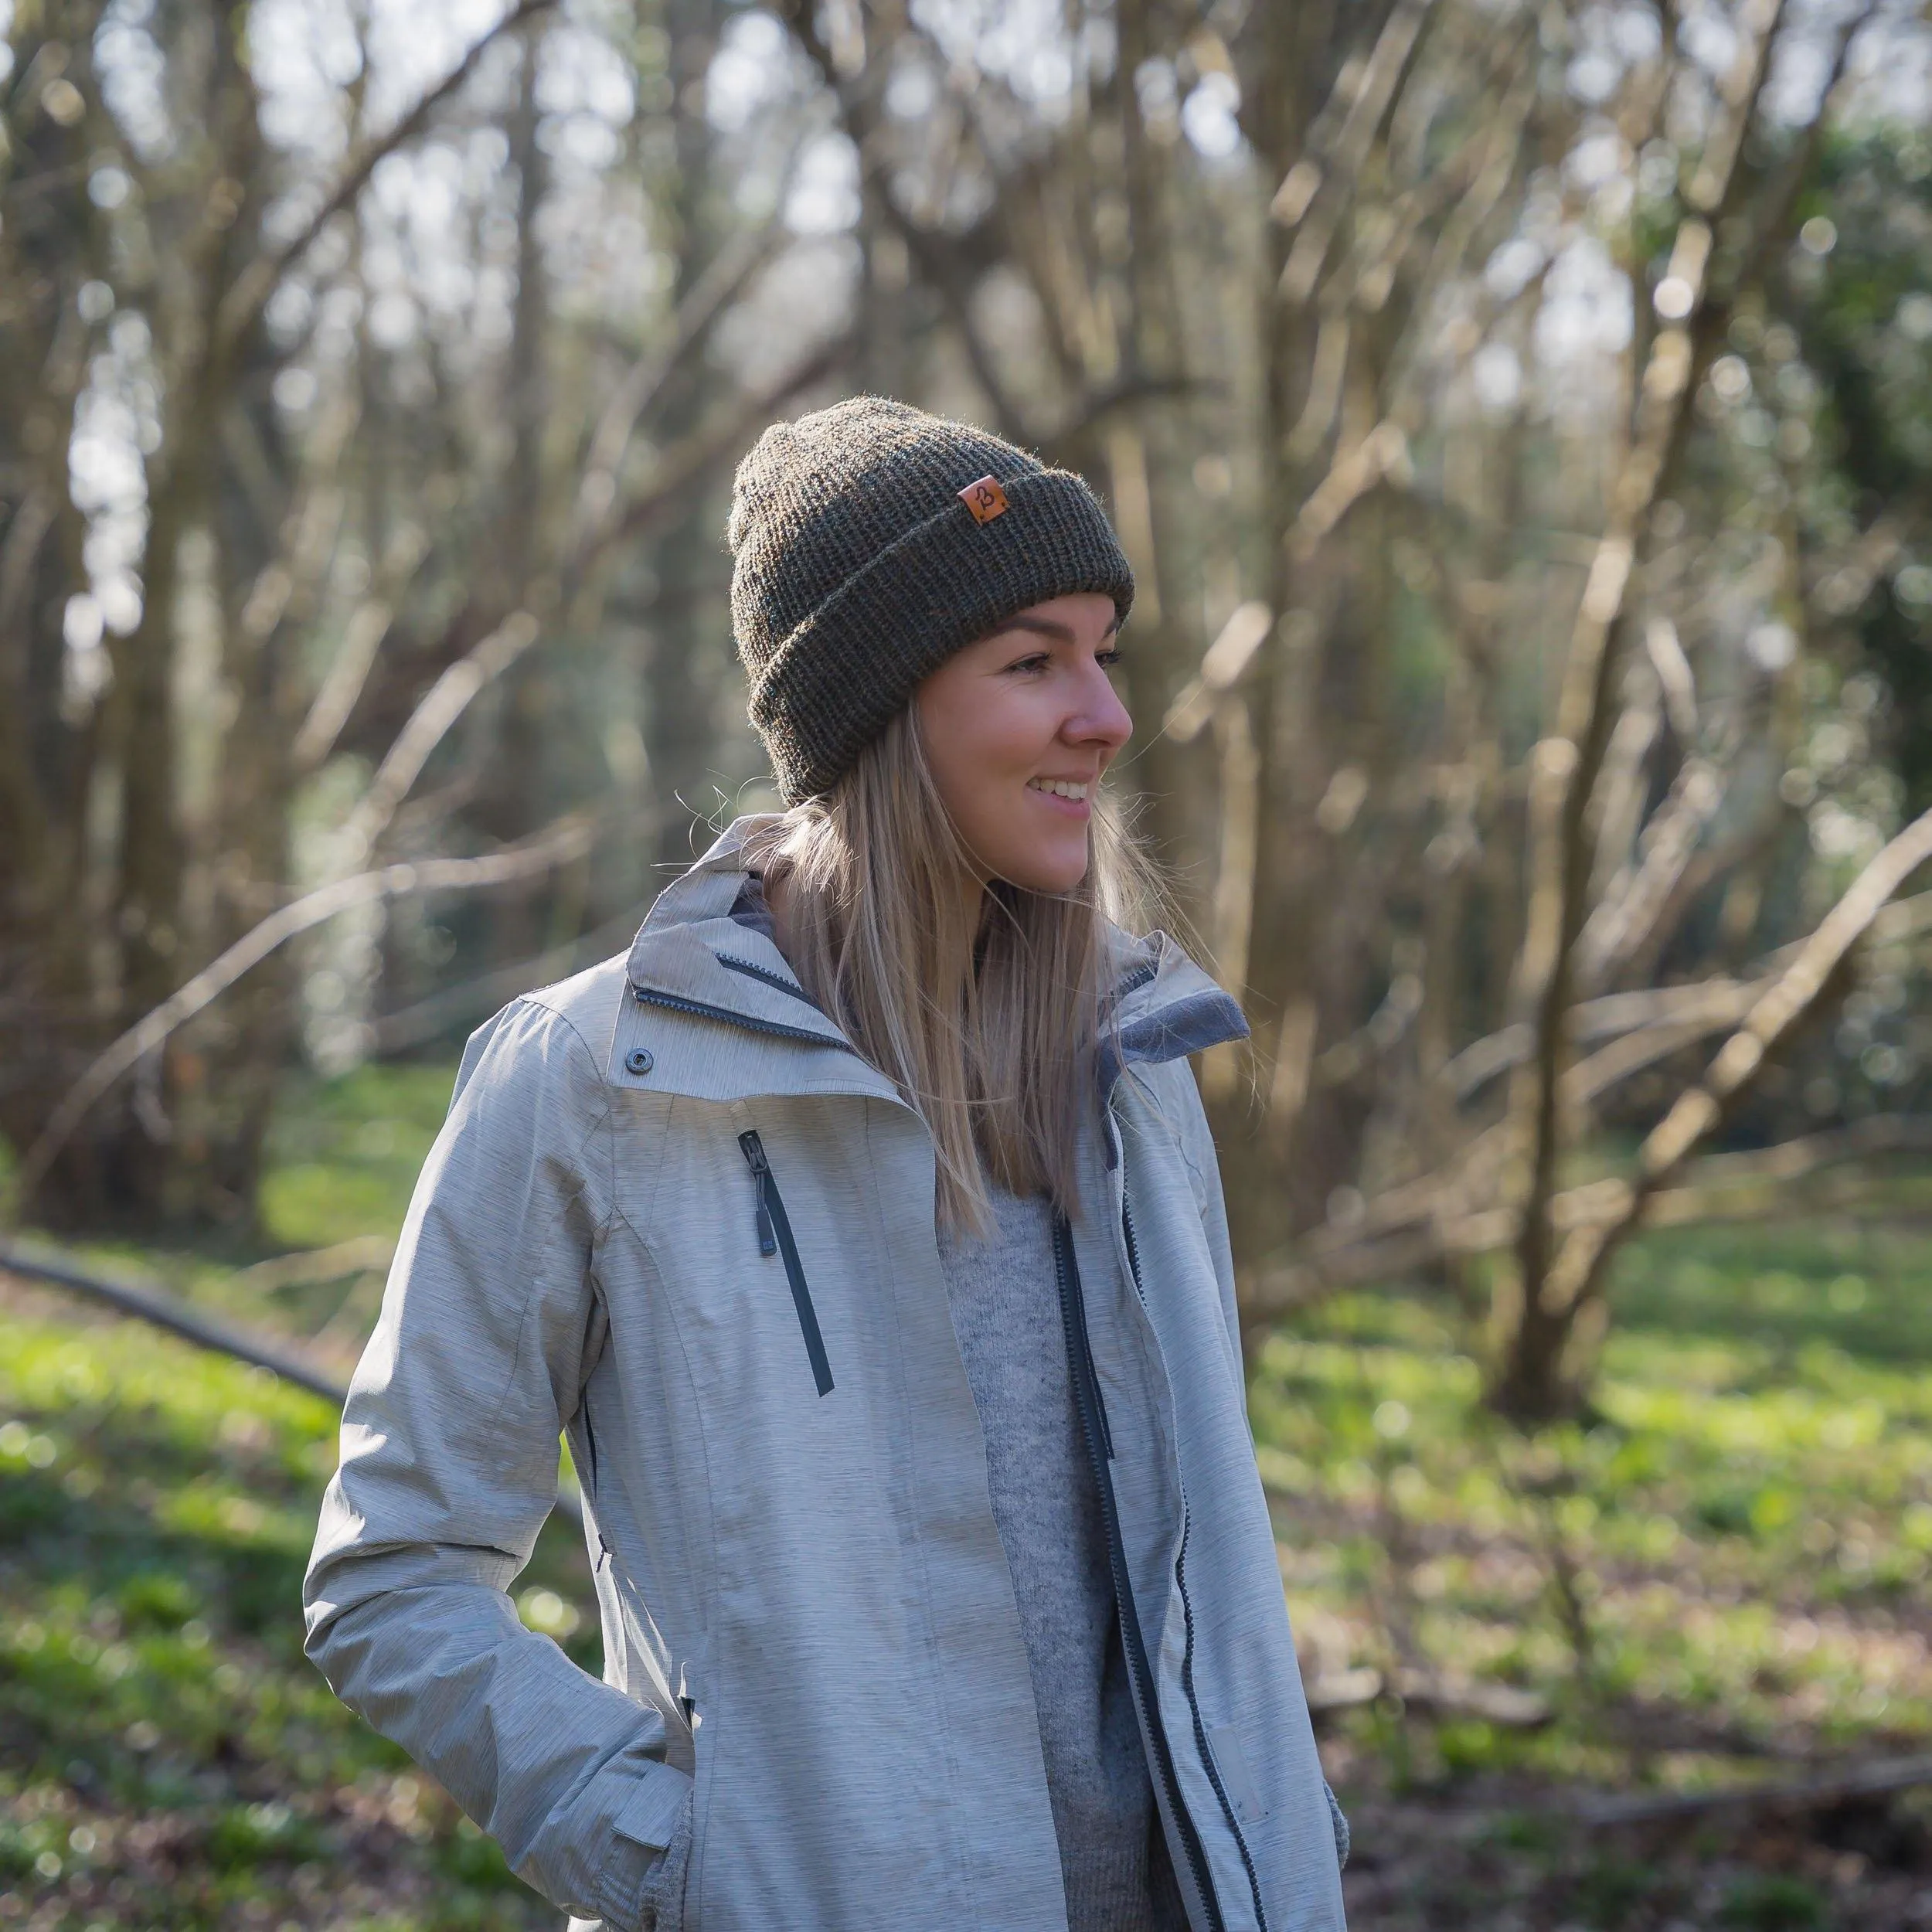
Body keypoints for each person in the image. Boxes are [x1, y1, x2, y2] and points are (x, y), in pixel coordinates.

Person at [303, 397, 1349, 1931]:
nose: (1106, 715)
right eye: (1030, 660)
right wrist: (674, 1858)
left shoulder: (1135, 1061)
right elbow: (388, 1573)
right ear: (879, 706)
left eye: (1102, 651)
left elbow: (1199, 1572)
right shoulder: (597, 1080)